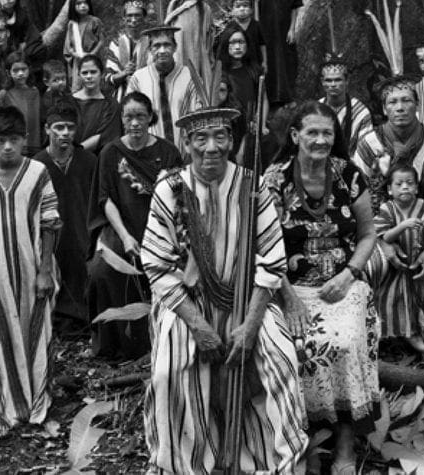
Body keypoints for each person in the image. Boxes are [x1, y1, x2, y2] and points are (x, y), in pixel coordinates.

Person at [141, 105, 308, 473]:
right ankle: (182, 464)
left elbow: (272, 258)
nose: (211, 147)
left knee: (279, 356)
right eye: (201, 138)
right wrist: (198, 326)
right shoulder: (170, 188)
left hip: (248, 299)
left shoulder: (252, 184)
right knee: (170, 369)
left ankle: (277, 461)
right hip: (186, 303)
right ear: (186, 143)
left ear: (232, 141)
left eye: (220, 136)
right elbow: (156, 265)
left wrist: (250, 325)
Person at [264, 101, 378, 474]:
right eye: (311, 132)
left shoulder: (349, 175)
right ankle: (305, 442)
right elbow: (263, 247)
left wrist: (349, 275)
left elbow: (367, 235)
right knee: (292, 348)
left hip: (344, 284)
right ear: (295, 136)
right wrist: (290, 298)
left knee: (343, 341)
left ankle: (345, 443)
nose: (320, 139)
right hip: (289, 287)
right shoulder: (274, 180)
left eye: (327, 132)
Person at [354, 76, 424, 330]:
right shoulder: (367, 145)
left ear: (417, 104)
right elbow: (358, 200)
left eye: (406, 100)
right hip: (377, 228)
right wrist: (382, 242)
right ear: (384, 109)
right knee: (369, 265)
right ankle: (376, 334)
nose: (400, 107)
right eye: (392, 102)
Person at [0, 106, 60, 430]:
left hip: (30, 266)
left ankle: (36, 400)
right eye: (0, 141)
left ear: (25, 139)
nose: (7, 147)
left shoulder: (38, 172)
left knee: (35, 331)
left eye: (13, 139)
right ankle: (0, 406)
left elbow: (50, 221)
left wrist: (45, 270)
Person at [87, 91, 181, 359]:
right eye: (129, 117)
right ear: (122, 120)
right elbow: (105, 198)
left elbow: (179, 199)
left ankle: (159, 342)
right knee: (101, 271)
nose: (135, 123)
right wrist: (126, 237)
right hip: (121, 227)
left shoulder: (167, 151)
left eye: (141, 116)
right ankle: (115, 346)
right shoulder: (111, 152)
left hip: (161, 228)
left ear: (150, 117)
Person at [34, 101, 97, 334]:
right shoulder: (37, 166)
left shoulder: (89, 162)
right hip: (49, 237)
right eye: (58, 127)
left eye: (70, 127)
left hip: (83, 233)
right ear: (47, 129)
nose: (65, 133)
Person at [374, 163, 424, 355]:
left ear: (417, 187)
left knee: (416, 301)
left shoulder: (422, 205)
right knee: (392, 300)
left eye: (410, 183)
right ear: (390, 190)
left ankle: (415, 335)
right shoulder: (387, 208)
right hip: (395, 268)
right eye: (399, 184)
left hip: (416, 263)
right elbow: (385, 237)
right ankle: (385, 337)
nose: (405, 187)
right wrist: (403, 225)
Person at [126, 25, 202, 158]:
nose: (162, 50)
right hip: (147, 152)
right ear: (150, 49)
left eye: (167, 45)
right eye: (156, 46)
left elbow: (198, 115)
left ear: (175, 47)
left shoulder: (190, 76)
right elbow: (130, 115)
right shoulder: (138, 78)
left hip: (185, 151)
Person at [0, 51, 40, 156]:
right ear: (8, 72)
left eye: (23, 69)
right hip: (12, 145)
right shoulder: (4, 94)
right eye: (15, 70)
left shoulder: (35, 91)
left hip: (34, 144)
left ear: (29, 69)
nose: (20, 74)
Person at [318, 54, 373, 159]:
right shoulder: (316, 109)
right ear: (322, 82)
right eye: (328, 80)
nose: (333, 84)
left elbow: (365, 146)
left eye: (338, 80)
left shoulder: (360, 111)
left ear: (347, 81)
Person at [216, 25, 267, 133]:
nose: (237, 47)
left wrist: (261, 124)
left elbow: (264, 99)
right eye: (233, 43)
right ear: (226, 45)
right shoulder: (220, 73)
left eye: (241, 42)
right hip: (229, 126)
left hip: (253, 126)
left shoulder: (255, 71)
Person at [72, 54, 121, 154]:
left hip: (98, 159)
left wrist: (76, 153)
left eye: (93, 72)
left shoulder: (111, 104)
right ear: (79, 75)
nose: (89, 76)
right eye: (84, 73)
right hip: (68, 159)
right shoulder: (69, 101)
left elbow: (106, 135)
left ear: (102, 74)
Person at [105, 0, 150, 102]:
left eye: (137, 15)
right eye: (129, 16)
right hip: (121, 99)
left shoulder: (152, 43)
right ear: (124, 18)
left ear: (144, 18)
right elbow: (109, 79)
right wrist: (125, 73)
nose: (133, 20)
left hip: (148, 95)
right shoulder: (116, 44)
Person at [258, 0, 301, 106]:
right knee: (268, 61)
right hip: (264, 31)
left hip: (284, 31)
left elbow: (294, 8)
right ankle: (269, 98)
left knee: (287, 62)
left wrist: (292, 29)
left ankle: (287, 97)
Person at [164, 0, 213, 86]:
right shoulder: (174, 5)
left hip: (198, 57)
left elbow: (209, 36)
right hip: (178, 54)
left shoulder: (204, 8)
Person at [64, 0, 105, 92]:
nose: (83, 6)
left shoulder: (95, 21)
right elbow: (68, 45)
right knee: (78, 87)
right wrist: (75, 53)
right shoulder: (72, 24)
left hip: (93, 58)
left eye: (85, 3)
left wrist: (92, 54)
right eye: (79, 4)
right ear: (73, 6)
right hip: (78, 60)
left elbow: (101, 40)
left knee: (94, 83)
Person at [228, 0, 266, 71]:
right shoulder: (230, 27)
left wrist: (264, 62)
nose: (242, 9)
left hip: (255, 65)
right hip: (236, 66)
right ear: (233, 10)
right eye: (238, 6)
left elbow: (262, 44)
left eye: (245, 6)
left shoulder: (256, 26)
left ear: (251, 10)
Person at [39, 59, 73, 131]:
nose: (61, 82)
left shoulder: (65, 93)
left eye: (63, 79)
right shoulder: (47, 100)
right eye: (56, 80)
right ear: (46, 82)